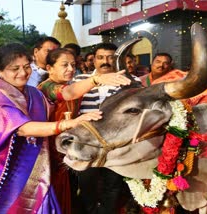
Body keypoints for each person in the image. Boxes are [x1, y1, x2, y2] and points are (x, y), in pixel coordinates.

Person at [0, 43, 104, 213]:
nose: (23, 73)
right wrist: (68, 123)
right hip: (3, 173)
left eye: (27, 67)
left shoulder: (34, 93)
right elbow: (23, 128)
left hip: (38, 167)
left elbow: (57, 103)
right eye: (15, 68)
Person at [37, 48, 131, 214]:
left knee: (72, 193)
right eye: (64, 65)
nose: (71, 69)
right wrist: (97, 79)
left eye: (73, 65)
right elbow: (67, 94)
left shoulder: (72, 83)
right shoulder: (47, 87)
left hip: (67, 149)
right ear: (49, 68)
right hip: (50, 151)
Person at [73, 42, 138, 213]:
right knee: (87, 183)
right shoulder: (80, 80)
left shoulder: (131, 81)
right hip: (86, 143)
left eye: (110, 57)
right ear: (93, 60)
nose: (105, 61)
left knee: (113, 184)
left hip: (117, 144)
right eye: (100, 57)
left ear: (118, 59)